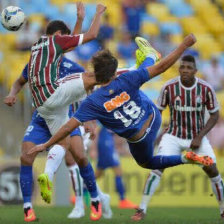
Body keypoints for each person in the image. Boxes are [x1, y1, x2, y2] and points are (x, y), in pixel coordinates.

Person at [29, 35, 214, 193]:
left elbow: (68, 127)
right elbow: (162, 67)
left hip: (139, 138)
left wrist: (46, 144)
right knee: (139, 77)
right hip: (153, 117)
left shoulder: (91, 102)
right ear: (114, 72)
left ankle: (184, 158)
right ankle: (150, 56)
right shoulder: (125, 79)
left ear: (96, 75)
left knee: (148, 162)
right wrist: (184, 44)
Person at [26, 3, 106, 221]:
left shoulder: (38, 46)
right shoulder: (56, 42)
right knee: (93, 77)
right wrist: (97, 13)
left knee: (64, 144)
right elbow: (91, 35)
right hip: (54, 95)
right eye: (65, 35)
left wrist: (78, 19)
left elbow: (69, 45)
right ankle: (133, 71)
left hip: (43, 104)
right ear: (59, 35)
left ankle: (48, 174)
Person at [131, 55, 224, 221]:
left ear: (195, 71)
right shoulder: (169, 87)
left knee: (213, 169)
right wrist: (154, 135)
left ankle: (223, 210)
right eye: (183, 67)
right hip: (173, 135)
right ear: (179, 69)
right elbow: (157, 112)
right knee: (157, 167)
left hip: (197, 137)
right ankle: (142, 209)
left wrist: (200, 136)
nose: (185, 70)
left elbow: (215, 115)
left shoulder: (206, 89)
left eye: (189, 68)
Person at [95, 126, 137, 209]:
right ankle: (122, 200)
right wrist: (94, 148)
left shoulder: (109, 116)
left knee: (97, 175)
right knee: (118, 171)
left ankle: (81, 193)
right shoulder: (103, 115)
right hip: (106, 145)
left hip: (107, 144)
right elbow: (96, 130)